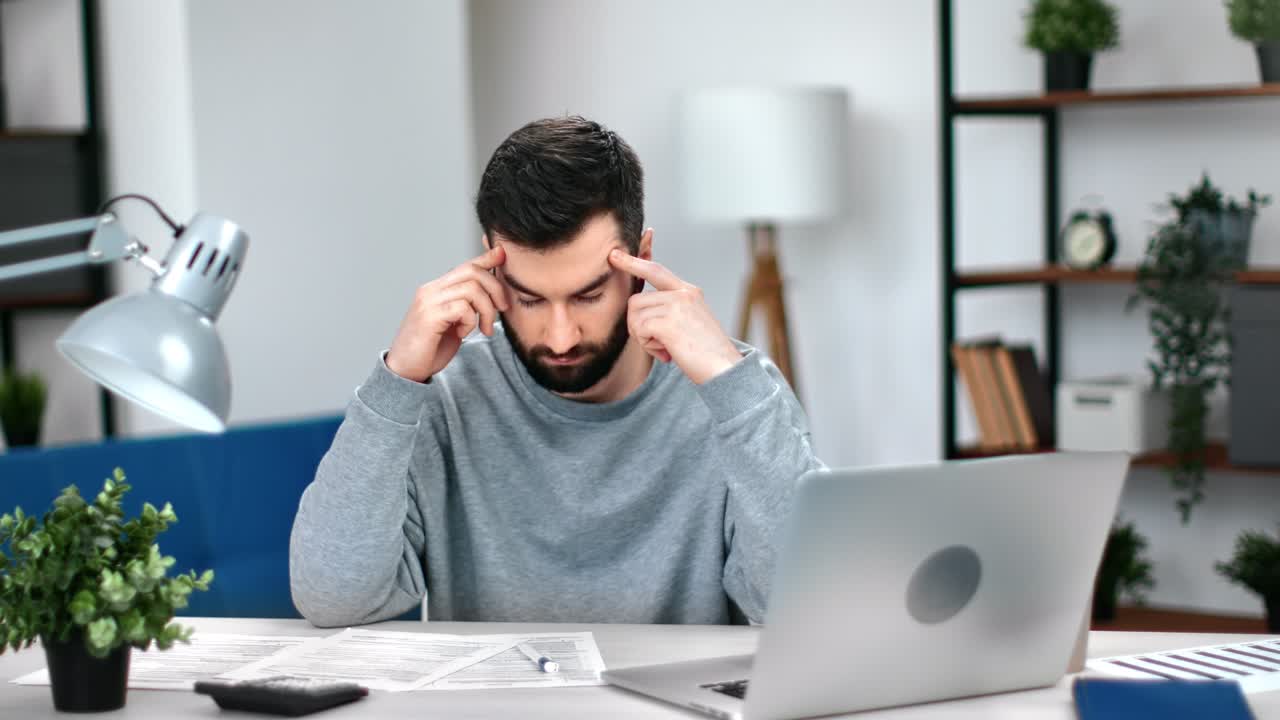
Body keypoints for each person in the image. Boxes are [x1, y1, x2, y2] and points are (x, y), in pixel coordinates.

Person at [289, 116, 823, 628]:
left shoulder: (733, 393)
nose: (560, 336)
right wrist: (397, 381)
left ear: (642, 260)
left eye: (589, 295)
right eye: (529, 298)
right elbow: (334, 598)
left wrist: (732, 389)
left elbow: (805, 604)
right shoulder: (442, 399)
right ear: (491, 266)